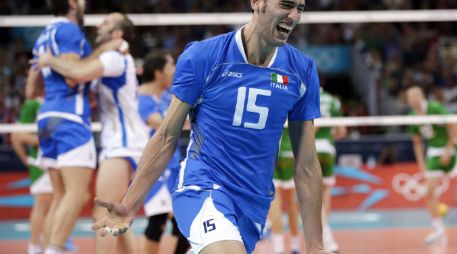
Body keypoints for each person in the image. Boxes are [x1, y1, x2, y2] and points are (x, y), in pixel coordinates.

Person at [93, 1, 330, 253]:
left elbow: (306, 165)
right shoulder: (205, 56)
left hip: (254, 201)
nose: (294, 15)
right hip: (203, 185)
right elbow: (166, 136)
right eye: (286, 5)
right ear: (257, 2)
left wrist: (315, 247)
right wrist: (129, 204)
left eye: (300, 9)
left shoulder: (301, 70)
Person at [34, 12, 145, 254]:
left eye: (106, 23)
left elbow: (78, 74)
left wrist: (49, 60)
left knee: (104, 212)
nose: (99, 24)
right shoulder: (113, 56)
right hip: (127, 142)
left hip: (122, 144)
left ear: (118, 34)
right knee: (118, 214)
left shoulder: (115, 58)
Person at [27, 1, 96, 253]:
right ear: (71, 4)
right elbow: (72, 75)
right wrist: (99, 65)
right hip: (69, 116)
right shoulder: (69, 30)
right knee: (77, 195)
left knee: (60, 196)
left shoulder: (43, 35)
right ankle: (54, 249)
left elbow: (30, 89)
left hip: (47, 116)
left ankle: (48, 248)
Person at [138, 50, 190, 254]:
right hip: (153, 170)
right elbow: (160, 124)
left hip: (173, 167)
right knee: (158, 222)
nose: (174, 71)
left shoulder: (169, 97)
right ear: (158, 72)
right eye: (171, 67)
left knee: (184, 224)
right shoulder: (141, 96)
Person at [405, 85, 456, 245]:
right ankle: (438, 230)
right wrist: (421, 162)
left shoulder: (435, 107)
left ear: (422, 96)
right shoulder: (412, 116)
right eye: (409, 97)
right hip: (434, 153)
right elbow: (417, 142)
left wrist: (449, 149)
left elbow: (453, 126)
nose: (413, 99)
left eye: (415, 95)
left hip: (452, 147)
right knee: (428, 192)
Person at [11, 82, 53, 254]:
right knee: (42, 204)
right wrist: (27, 159)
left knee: (54, 205)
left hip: (57, 160)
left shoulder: (52, 102)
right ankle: (34, 247)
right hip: (40, 163)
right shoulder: (32, 104)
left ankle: (50, 244)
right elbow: (17, 136)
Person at [315, 87, 346, 253]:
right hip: (327, 149)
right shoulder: (333, 100)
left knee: (312, 197)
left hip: (311, 150)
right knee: (325, 195)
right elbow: (342, 131)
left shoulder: (303, 95)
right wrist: (328, 135)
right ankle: (328, 238)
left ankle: (327, 239)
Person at [267, 128, 301, 254]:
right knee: (291, 202)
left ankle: (279, 247)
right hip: (288, 150)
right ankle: (295, 245)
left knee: (274, 200)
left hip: (271, 152)